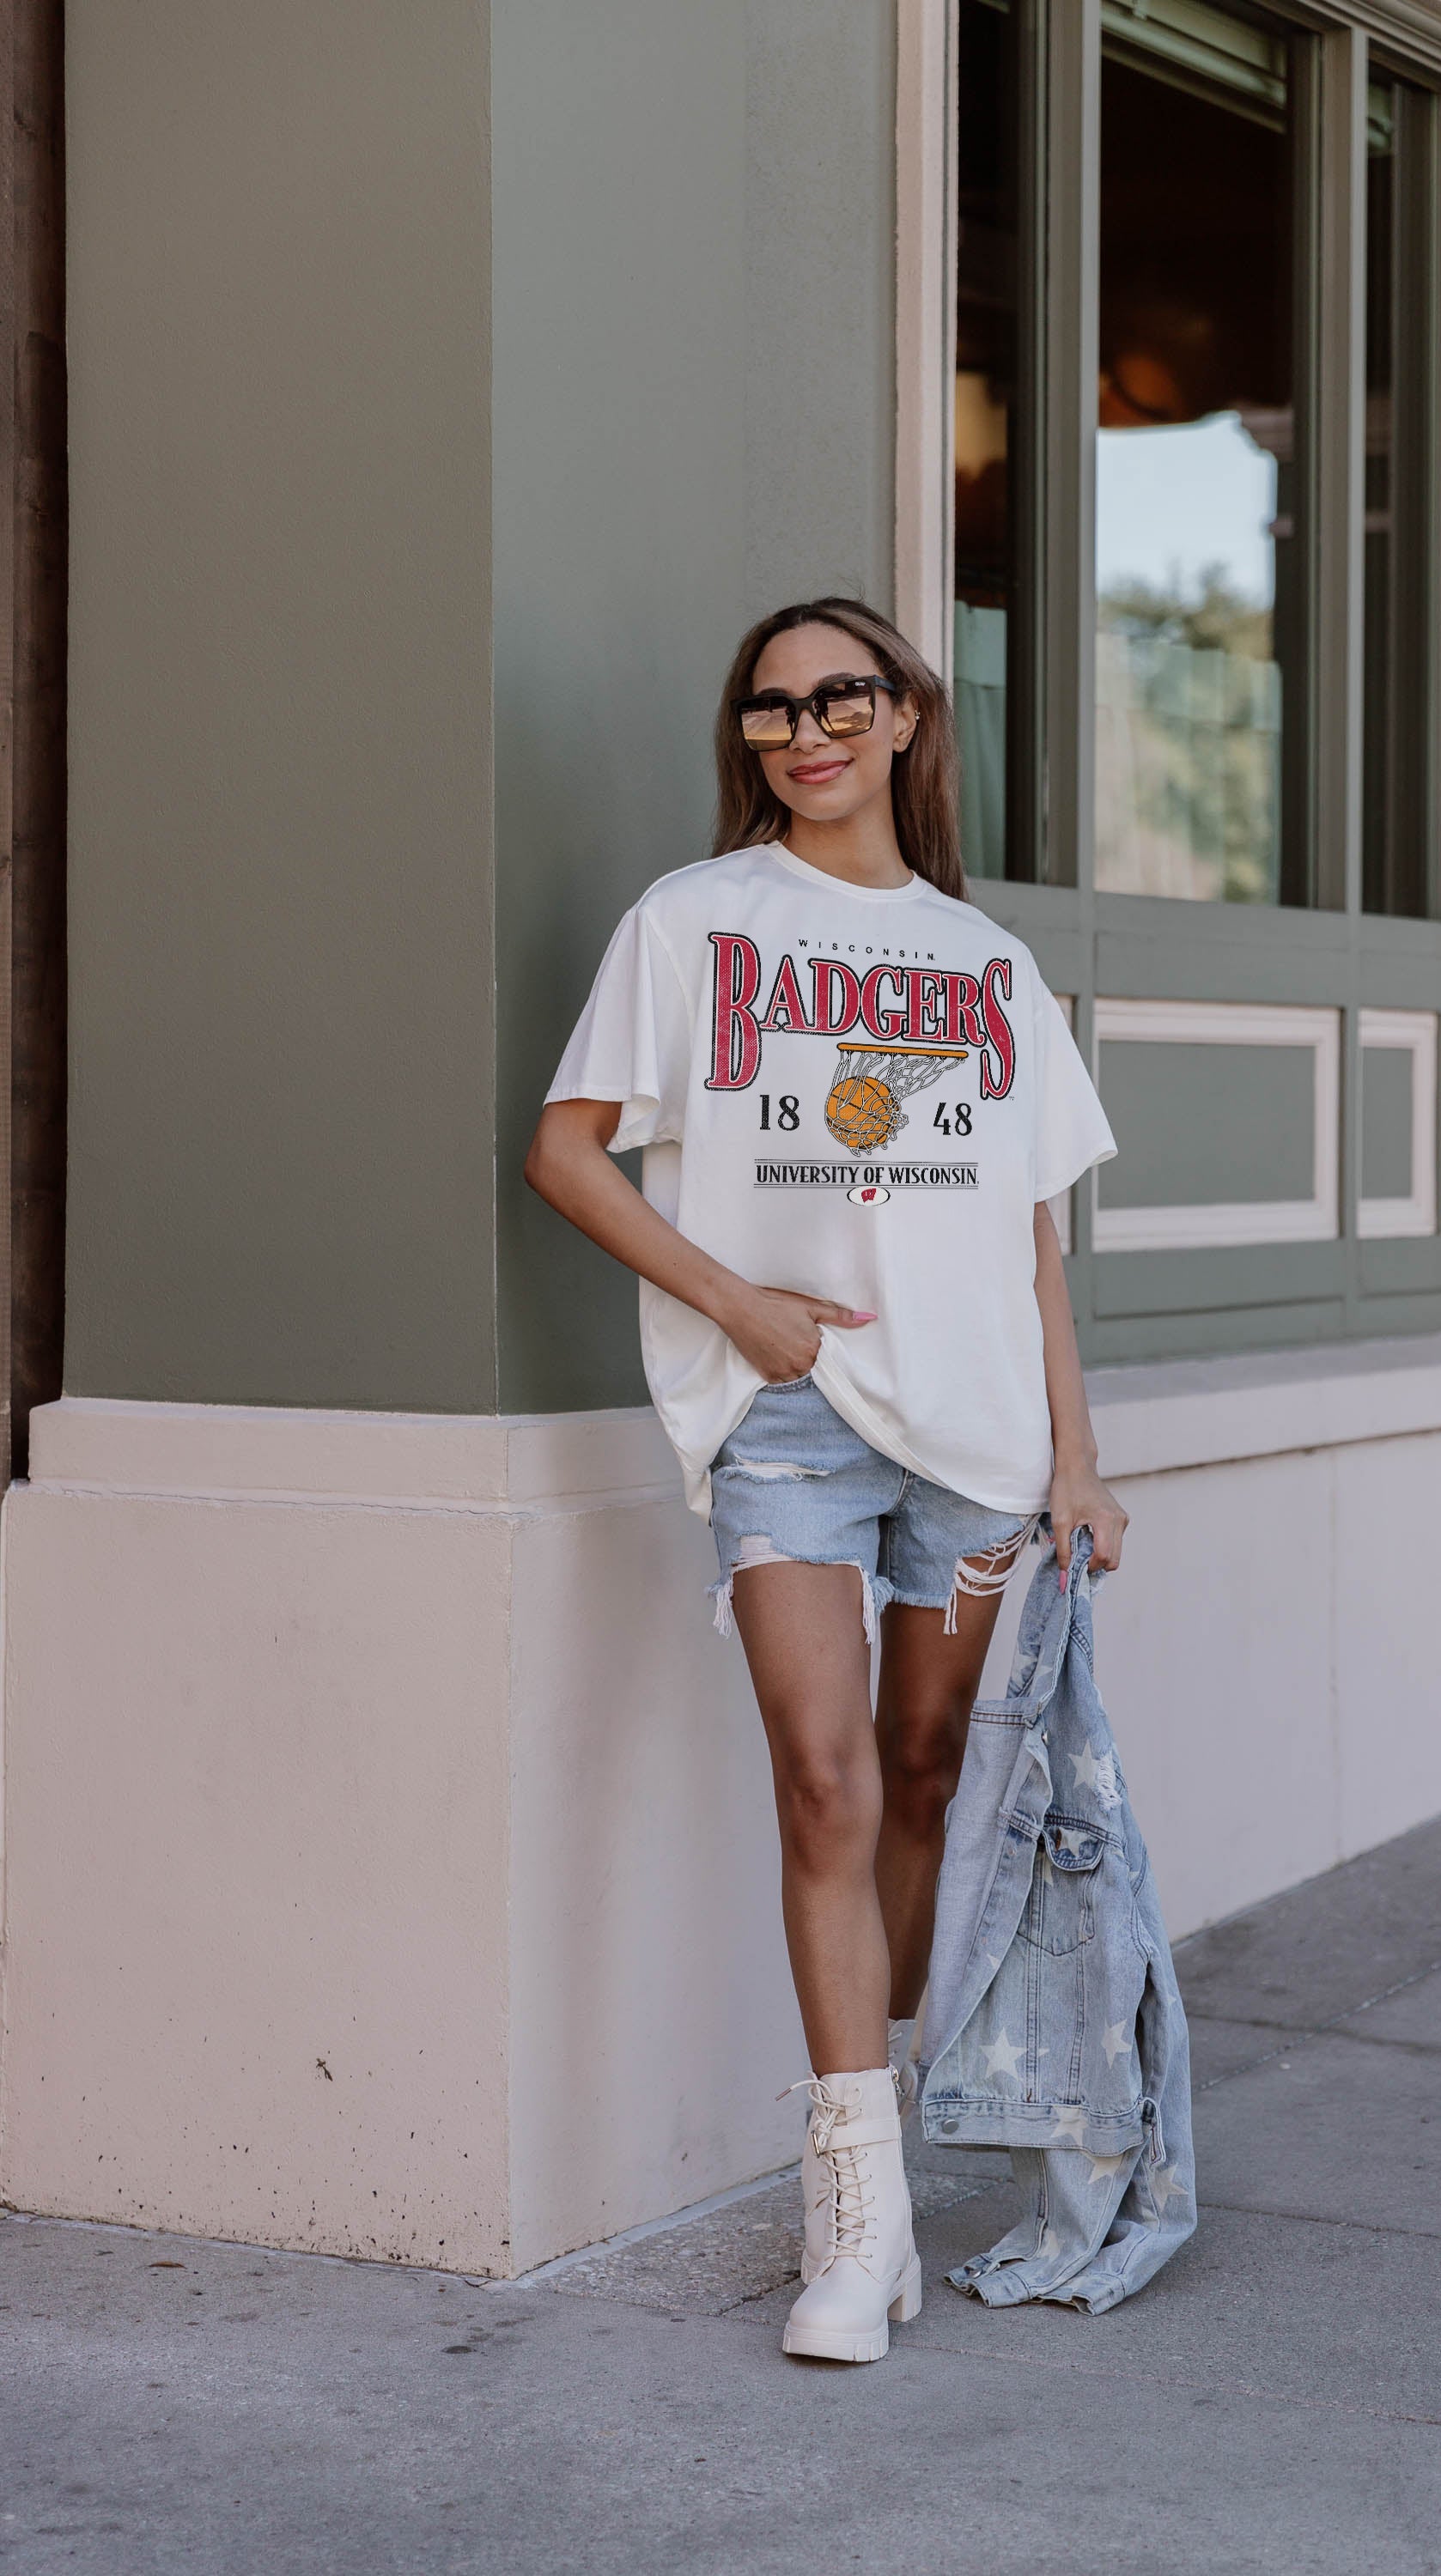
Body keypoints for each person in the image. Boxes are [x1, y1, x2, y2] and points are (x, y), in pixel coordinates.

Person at [525, 596, 1128, 2364]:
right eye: (770, 711)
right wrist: (737, 1307)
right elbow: (564, 1153)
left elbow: (1033, 1247)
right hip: (785, 1419)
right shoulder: (693, 921)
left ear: (904, 717)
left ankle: (896, 2159)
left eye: (838, 698)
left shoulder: (985, 965)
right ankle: (850, 2221)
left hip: (979, 1445)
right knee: (822, 1774)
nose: (805, 733)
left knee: (928, 1769)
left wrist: (1075, 1463)